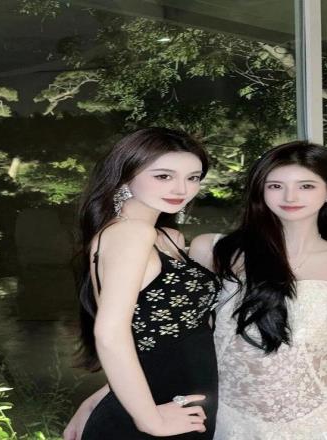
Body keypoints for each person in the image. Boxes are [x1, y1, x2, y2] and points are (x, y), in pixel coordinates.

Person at [65, 141, 327, 440]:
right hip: (218, 415)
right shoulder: (213, 248)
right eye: (275, 185)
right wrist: (129, 406)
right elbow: (139, 333)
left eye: (306, 185)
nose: (290, 196)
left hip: (313, 415)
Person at [71, 127, 220, 440]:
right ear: (125, 176)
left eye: (193, 177)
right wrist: (150, 421)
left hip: (172, 402)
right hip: (157, 414)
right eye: (163, 176)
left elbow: (147, 337)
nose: (182, 188)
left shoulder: (163, 237)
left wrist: (101, 396)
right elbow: (110, 333)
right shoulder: (131, 234)